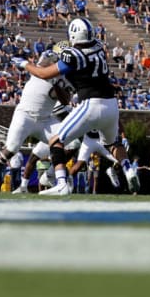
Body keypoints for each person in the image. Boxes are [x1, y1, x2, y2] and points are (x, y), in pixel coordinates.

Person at [14, 18, 126, 196]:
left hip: (90, 105)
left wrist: (24, 64)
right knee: (112, 144)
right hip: (110, 104)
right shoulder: (97, 46)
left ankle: (59, 182)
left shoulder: (73, 58)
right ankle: (129, 170)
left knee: (56, 142)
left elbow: (45, 73)